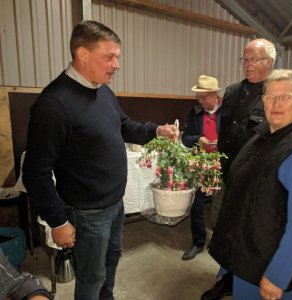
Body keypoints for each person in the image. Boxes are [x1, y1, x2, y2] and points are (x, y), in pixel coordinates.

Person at [22, 20, 177, 300]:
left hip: (114, 204)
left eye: (116, 57)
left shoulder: (102, 90)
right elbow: (35, 172)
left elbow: (125, 126)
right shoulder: (53, 104)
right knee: (91, 277)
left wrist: (156, 131)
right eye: (109, 57)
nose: (116, 65)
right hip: (87, 213)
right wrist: (58, 222)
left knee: (111, 262)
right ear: (82, 54)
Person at [208, 69, 292, 300]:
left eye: (285, 97)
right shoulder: (263, 136)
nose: (276, 103)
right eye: (269, 97)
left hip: (269, 268)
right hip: (247, 258)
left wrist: (278, 276)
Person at [202, 38, 276, 300]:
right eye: (244, 59)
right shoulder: (232, 91)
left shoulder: (276, 94)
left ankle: (242, 280)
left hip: (255, 180)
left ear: (269, 62)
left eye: (253, 59)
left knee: (246, 232)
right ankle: (226, 278)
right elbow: (225, 133)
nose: (247, 64)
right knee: (222, 226)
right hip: (227, 173)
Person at [181, 75, 222, 261]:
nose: (200, 101)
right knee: (196, 207)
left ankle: (219, 242)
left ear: (215, 95)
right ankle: (198, 242)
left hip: (222, 164)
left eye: (203, 97)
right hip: (201, 164)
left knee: (220, 206)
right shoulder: (195, 112)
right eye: (198, 97)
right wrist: (198, 139)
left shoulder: (227, 112)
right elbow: (185, 139)